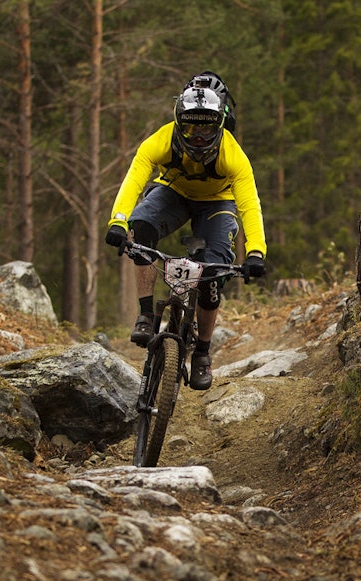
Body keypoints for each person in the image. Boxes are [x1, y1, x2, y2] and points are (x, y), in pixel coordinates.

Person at [104, 71, 266, 391]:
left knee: (211, 275)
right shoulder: (161, 140)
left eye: (207, 129)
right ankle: (146, 315)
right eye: (191, 128)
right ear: (179, 123)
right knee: (142, 227)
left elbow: (250, 206)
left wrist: (256, 252)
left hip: (217, 203)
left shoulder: (233, 156)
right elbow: (134, 179)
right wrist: (118, 221)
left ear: (220, 126)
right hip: (173, 193)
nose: (198, 138)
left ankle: (202, 353)